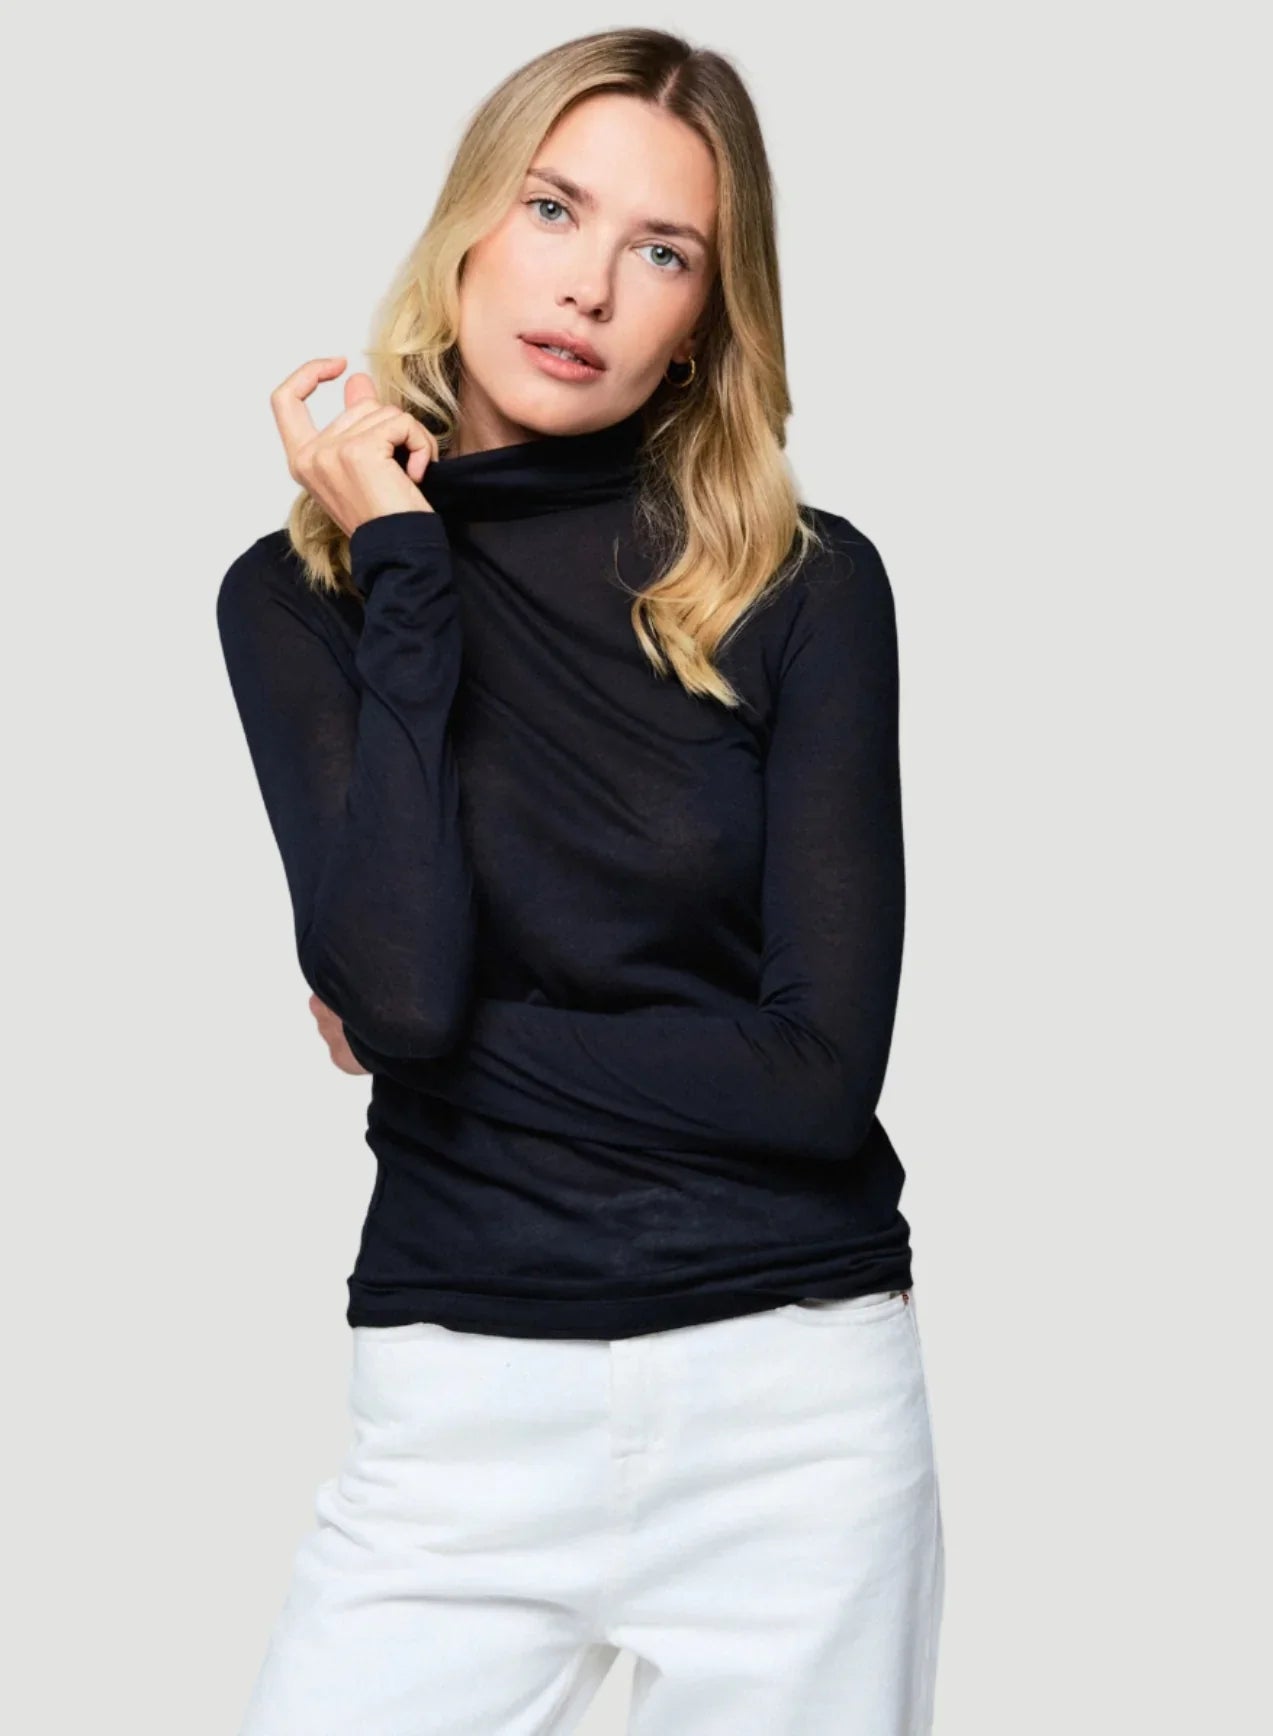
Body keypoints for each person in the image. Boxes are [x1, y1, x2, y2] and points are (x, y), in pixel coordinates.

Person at [216, 26, 945, 1736]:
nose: (589, 286)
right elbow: (403, 984)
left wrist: (431, 1046)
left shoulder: (800, 588)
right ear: (468, 222)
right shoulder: (303, 598)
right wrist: (406, 563)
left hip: (791, 1415)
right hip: (455, 1409)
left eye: (661, 249)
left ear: (707, 314)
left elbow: (813, 1078)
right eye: (553, 208)